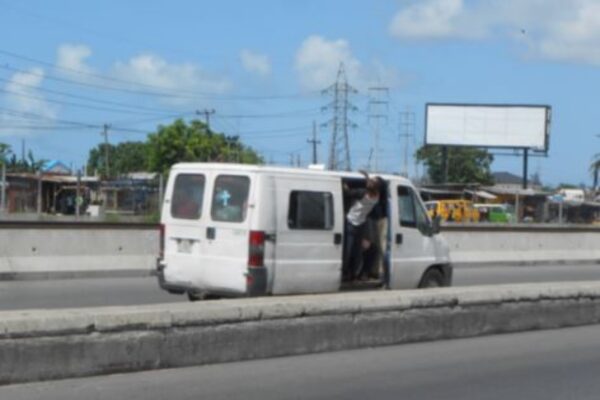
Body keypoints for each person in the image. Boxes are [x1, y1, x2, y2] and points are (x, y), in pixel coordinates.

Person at [342, 173, 380, 282]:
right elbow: (372, 186)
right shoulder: (376, 196)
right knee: (356, 251)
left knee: (348, 251)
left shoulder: (362, 193)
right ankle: (353, 274)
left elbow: (347, 192)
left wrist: (344, 183)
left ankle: (346, 273)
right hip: (360, 224)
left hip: (351, 222)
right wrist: (367, 176)